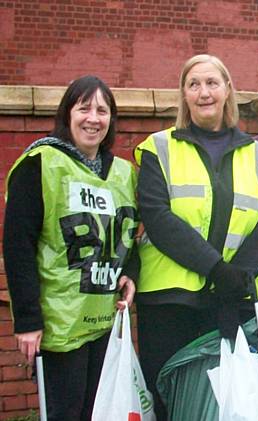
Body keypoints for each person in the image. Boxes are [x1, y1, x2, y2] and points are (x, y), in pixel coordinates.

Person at [134, 54, 258, 421]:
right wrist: (217, 270)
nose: (203, 92)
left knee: (224, 406)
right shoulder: (158, 148)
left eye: (212, 83)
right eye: (193, 84)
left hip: (234, 300)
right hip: (169, 304)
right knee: (169, 402)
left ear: (228, 90)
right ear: (183, 94)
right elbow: (158, 217)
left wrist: (235, 279)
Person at [3, 75, 138, 421]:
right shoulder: (40, 164)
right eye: (84, 108)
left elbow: (127, 234)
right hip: (59, 324)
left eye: (102, 110)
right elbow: (18, 244)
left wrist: (130, 273)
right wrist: (28, 319)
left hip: (103, 319)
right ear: (67, 114)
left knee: (99, 412)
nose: (93, 118)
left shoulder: (124, 173)